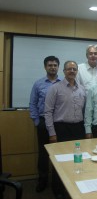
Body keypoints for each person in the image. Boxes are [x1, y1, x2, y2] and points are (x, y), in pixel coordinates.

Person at [44, 60, 86, 199]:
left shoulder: (82, 88)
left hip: (78, 128)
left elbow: (84, 110)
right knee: (60, 161)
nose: (72, 71)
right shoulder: (55, 88)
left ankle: (74, 187)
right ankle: (58, 190)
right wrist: (52, 133)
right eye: (69, 69)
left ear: (77, 71)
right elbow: (48, 112)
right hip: (61, 128)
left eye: (74, 69)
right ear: (64, 71)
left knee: (78, 159)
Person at [29, 56, 60, 193]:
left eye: (55, 65)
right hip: (42, 122)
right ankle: (42, 180)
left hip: (59, 123)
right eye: (50, 65)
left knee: (59, 153)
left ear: (58, 67)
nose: (52, 67)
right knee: (43, 153)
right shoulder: (38, 84)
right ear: (45, 67)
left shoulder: (63, 83)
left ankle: (57, 181)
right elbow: (32, 104)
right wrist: (36, 121)